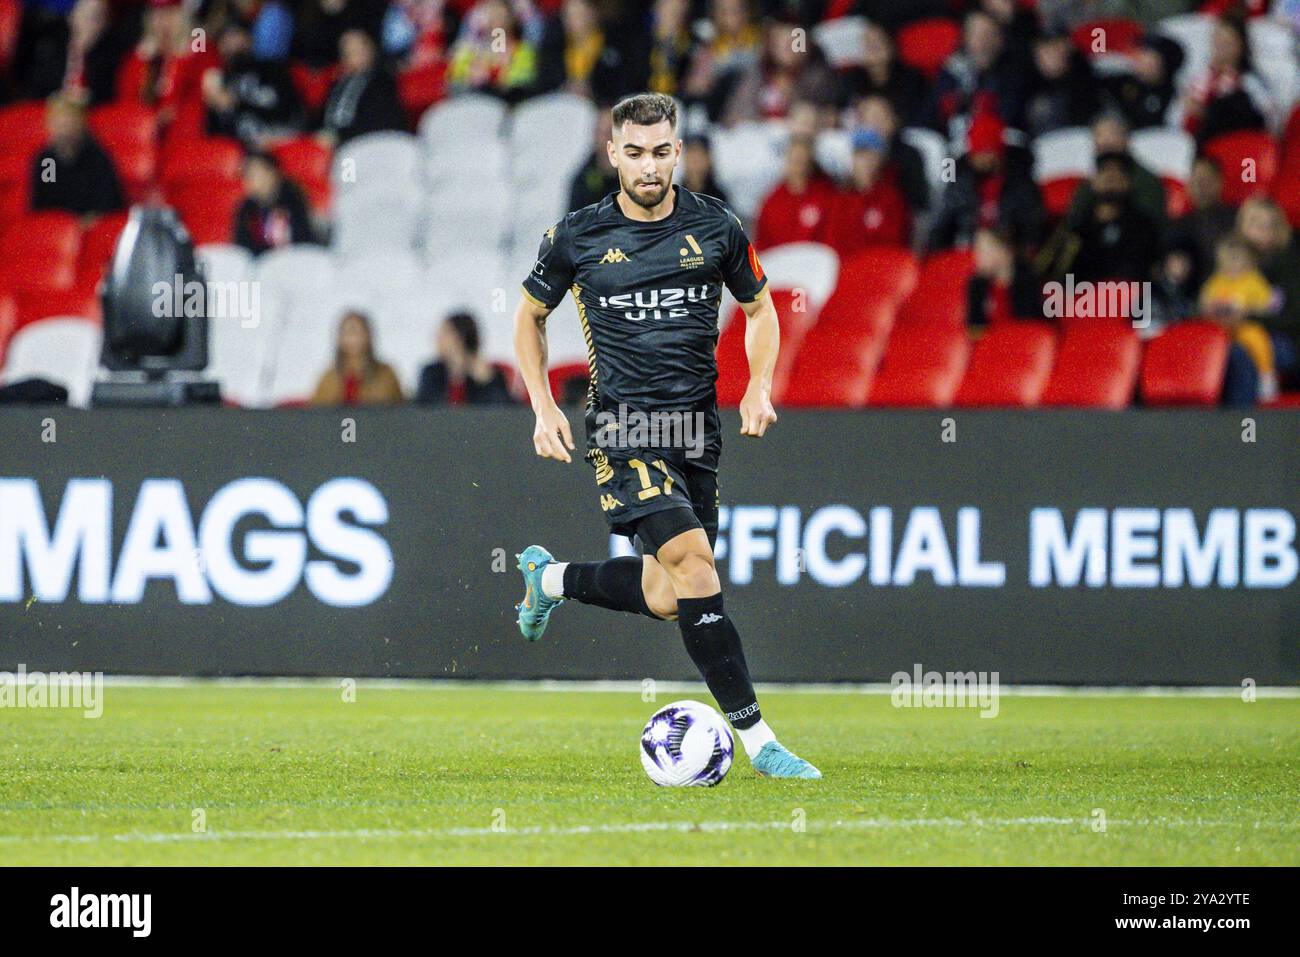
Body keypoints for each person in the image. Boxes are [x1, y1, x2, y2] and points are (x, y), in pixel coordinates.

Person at [511, 92, 820, 779]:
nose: (648, 166)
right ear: (613, 153)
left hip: (695, 430)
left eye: (661, 152)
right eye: (634, 152)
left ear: (677, 151)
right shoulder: (577, 236)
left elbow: (760, 309)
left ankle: (550, 578)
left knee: (664, 594)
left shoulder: (716, 227)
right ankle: (760, 741)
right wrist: (542, 405)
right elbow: (529, 316)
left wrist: (760, 383)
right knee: (695, 565)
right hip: (624, 428)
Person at [203, 20, 306, 147]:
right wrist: (218, 107)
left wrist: (238, 105)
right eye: (223, 40)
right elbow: (214, 133)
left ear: (249, 38)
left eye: (234, 35)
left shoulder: (271, 68)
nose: (230, 43)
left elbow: (287, 111)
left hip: (278, 140)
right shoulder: (222, 81)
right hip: (240, 152)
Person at [1199, 233, 1278, 398]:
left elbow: (1266, 304)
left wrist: (1247, 309)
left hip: (1244, 327)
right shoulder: (1217, 281)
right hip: (1220, 330)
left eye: (1238, 259)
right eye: (1229, 260)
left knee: (1257, 339)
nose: (1233, 264)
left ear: (1249, 262)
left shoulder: (1253, 280)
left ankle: (1266, 375)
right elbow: (1205, 303)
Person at [30, 92, 125, 221]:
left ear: (82, 123)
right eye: (59, 122)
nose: (64, 129)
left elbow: (108, 207)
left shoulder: (98, 159)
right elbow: (43, 206)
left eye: (70, 121)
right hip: (59, 232)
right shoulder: (48, 162)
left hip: (90, 230)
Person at [821, 127, 912, 254]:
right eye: (861, 156)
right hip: (845, 269)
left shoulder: (892, 199)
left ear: (881, 160)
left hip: (879, 269)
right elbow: (831, 243)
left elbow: (895, 245)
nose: (867, 162)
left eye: (872, 156)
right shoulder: (840, 199)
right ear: (852, 159)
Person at [319, 29, 407, 146]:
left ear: (370, 49)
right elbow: (320, 117)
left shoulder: (382, 81)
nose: (353, 54)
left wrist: (339, 136)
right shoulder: (336, 84)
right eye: (347, 51)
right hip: (329, 145)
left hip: (365, 145)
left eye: (357, 49)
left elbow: (377, 121)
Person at [754, 135, 836, 248]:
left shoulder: (826, 194)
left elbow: (835, 236)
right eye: (794, 160)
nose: (799, 167)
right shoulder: (771, 203)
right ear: (786, 161)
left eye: (803, 161)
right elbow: (762, 246)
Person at [416, 312, 514, 404]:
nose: (437, 338)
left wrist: (487, 382)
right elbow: (426, 408)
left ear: (460, 338)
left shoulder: (489, 374)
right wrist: (455, 378)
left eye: (444, 333)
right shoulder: (432, 372)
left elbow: (504, 411)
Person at [310, 311, 404, 405]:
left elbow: (398, 408)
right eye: (349, 333)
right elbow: (318, 410)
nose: (353, 339)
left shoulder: (385, 374)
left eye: (358, 333)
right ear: (340, 338)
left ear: (368, 336)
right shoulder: (329, 377)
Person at [233, 151, 317, 254]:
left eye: (254, 173)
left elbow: (303, 238)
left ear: (272, 173)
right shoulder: (246, 209)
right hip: (262, 264)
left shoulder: (293, 199)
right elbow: (242, 247)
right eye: (246, 174)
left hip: (296, 259)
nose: (249, 179)